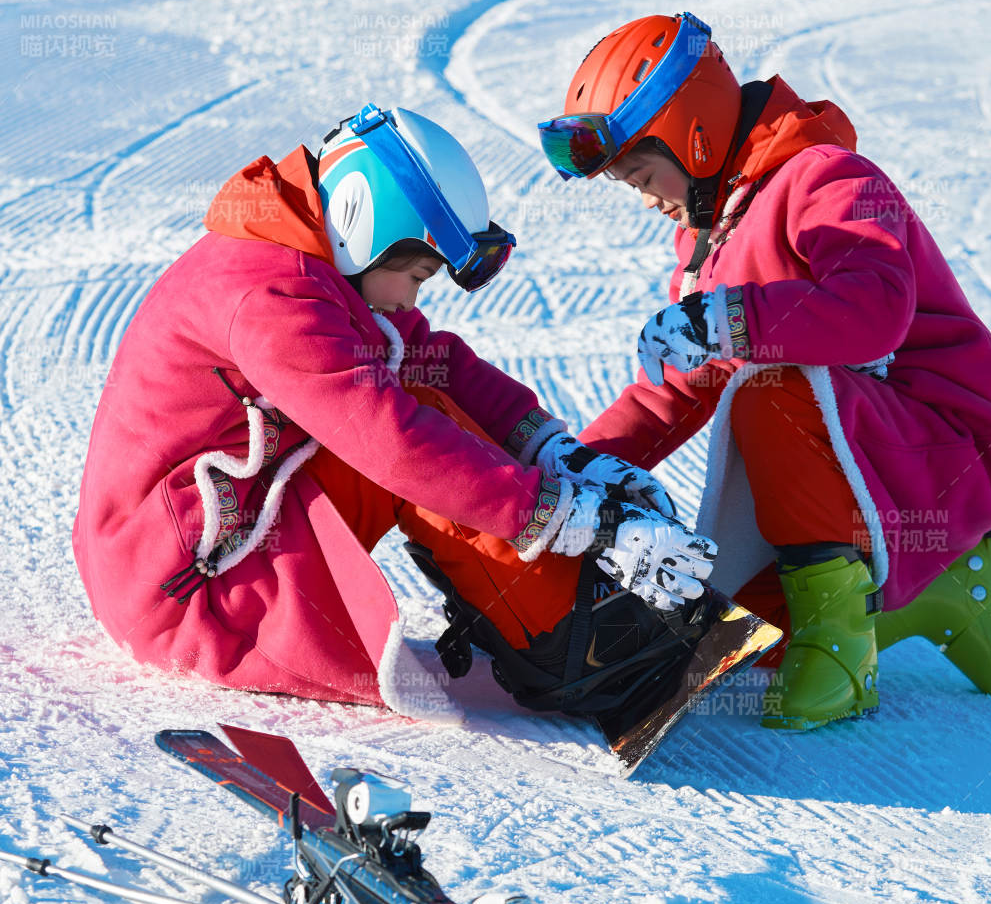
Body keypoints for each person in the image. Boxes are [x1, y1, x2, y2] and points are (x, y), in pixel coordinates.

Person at [72, 102, 721, 723]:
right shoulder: (270, 295)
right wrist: (570, 516)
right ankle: (580, 648)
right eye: (415, 275)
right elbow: (389, 440)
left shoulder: (300, 264)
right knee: (406, 438)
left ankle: (550, 606)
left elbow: (430, 358)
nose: (412, 297)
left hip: (179, 567)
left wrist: (557, 452)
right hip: (190, 591)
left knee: (426, 402)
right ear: (363, 226)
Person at [538, 11, 991, 731]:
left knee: (769, 392)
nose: (648, 201)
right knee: (745, 632)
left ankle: (840, 645)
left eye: (642, 175)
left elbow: (875, 308)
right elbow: (673, 396)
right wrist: (570, 476)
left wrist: (729, 322)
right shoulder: (706, 244)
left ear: (693, 131)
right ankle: (945, 586)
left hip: (957, 431)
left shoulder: (829, 179)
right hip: (874, 446)